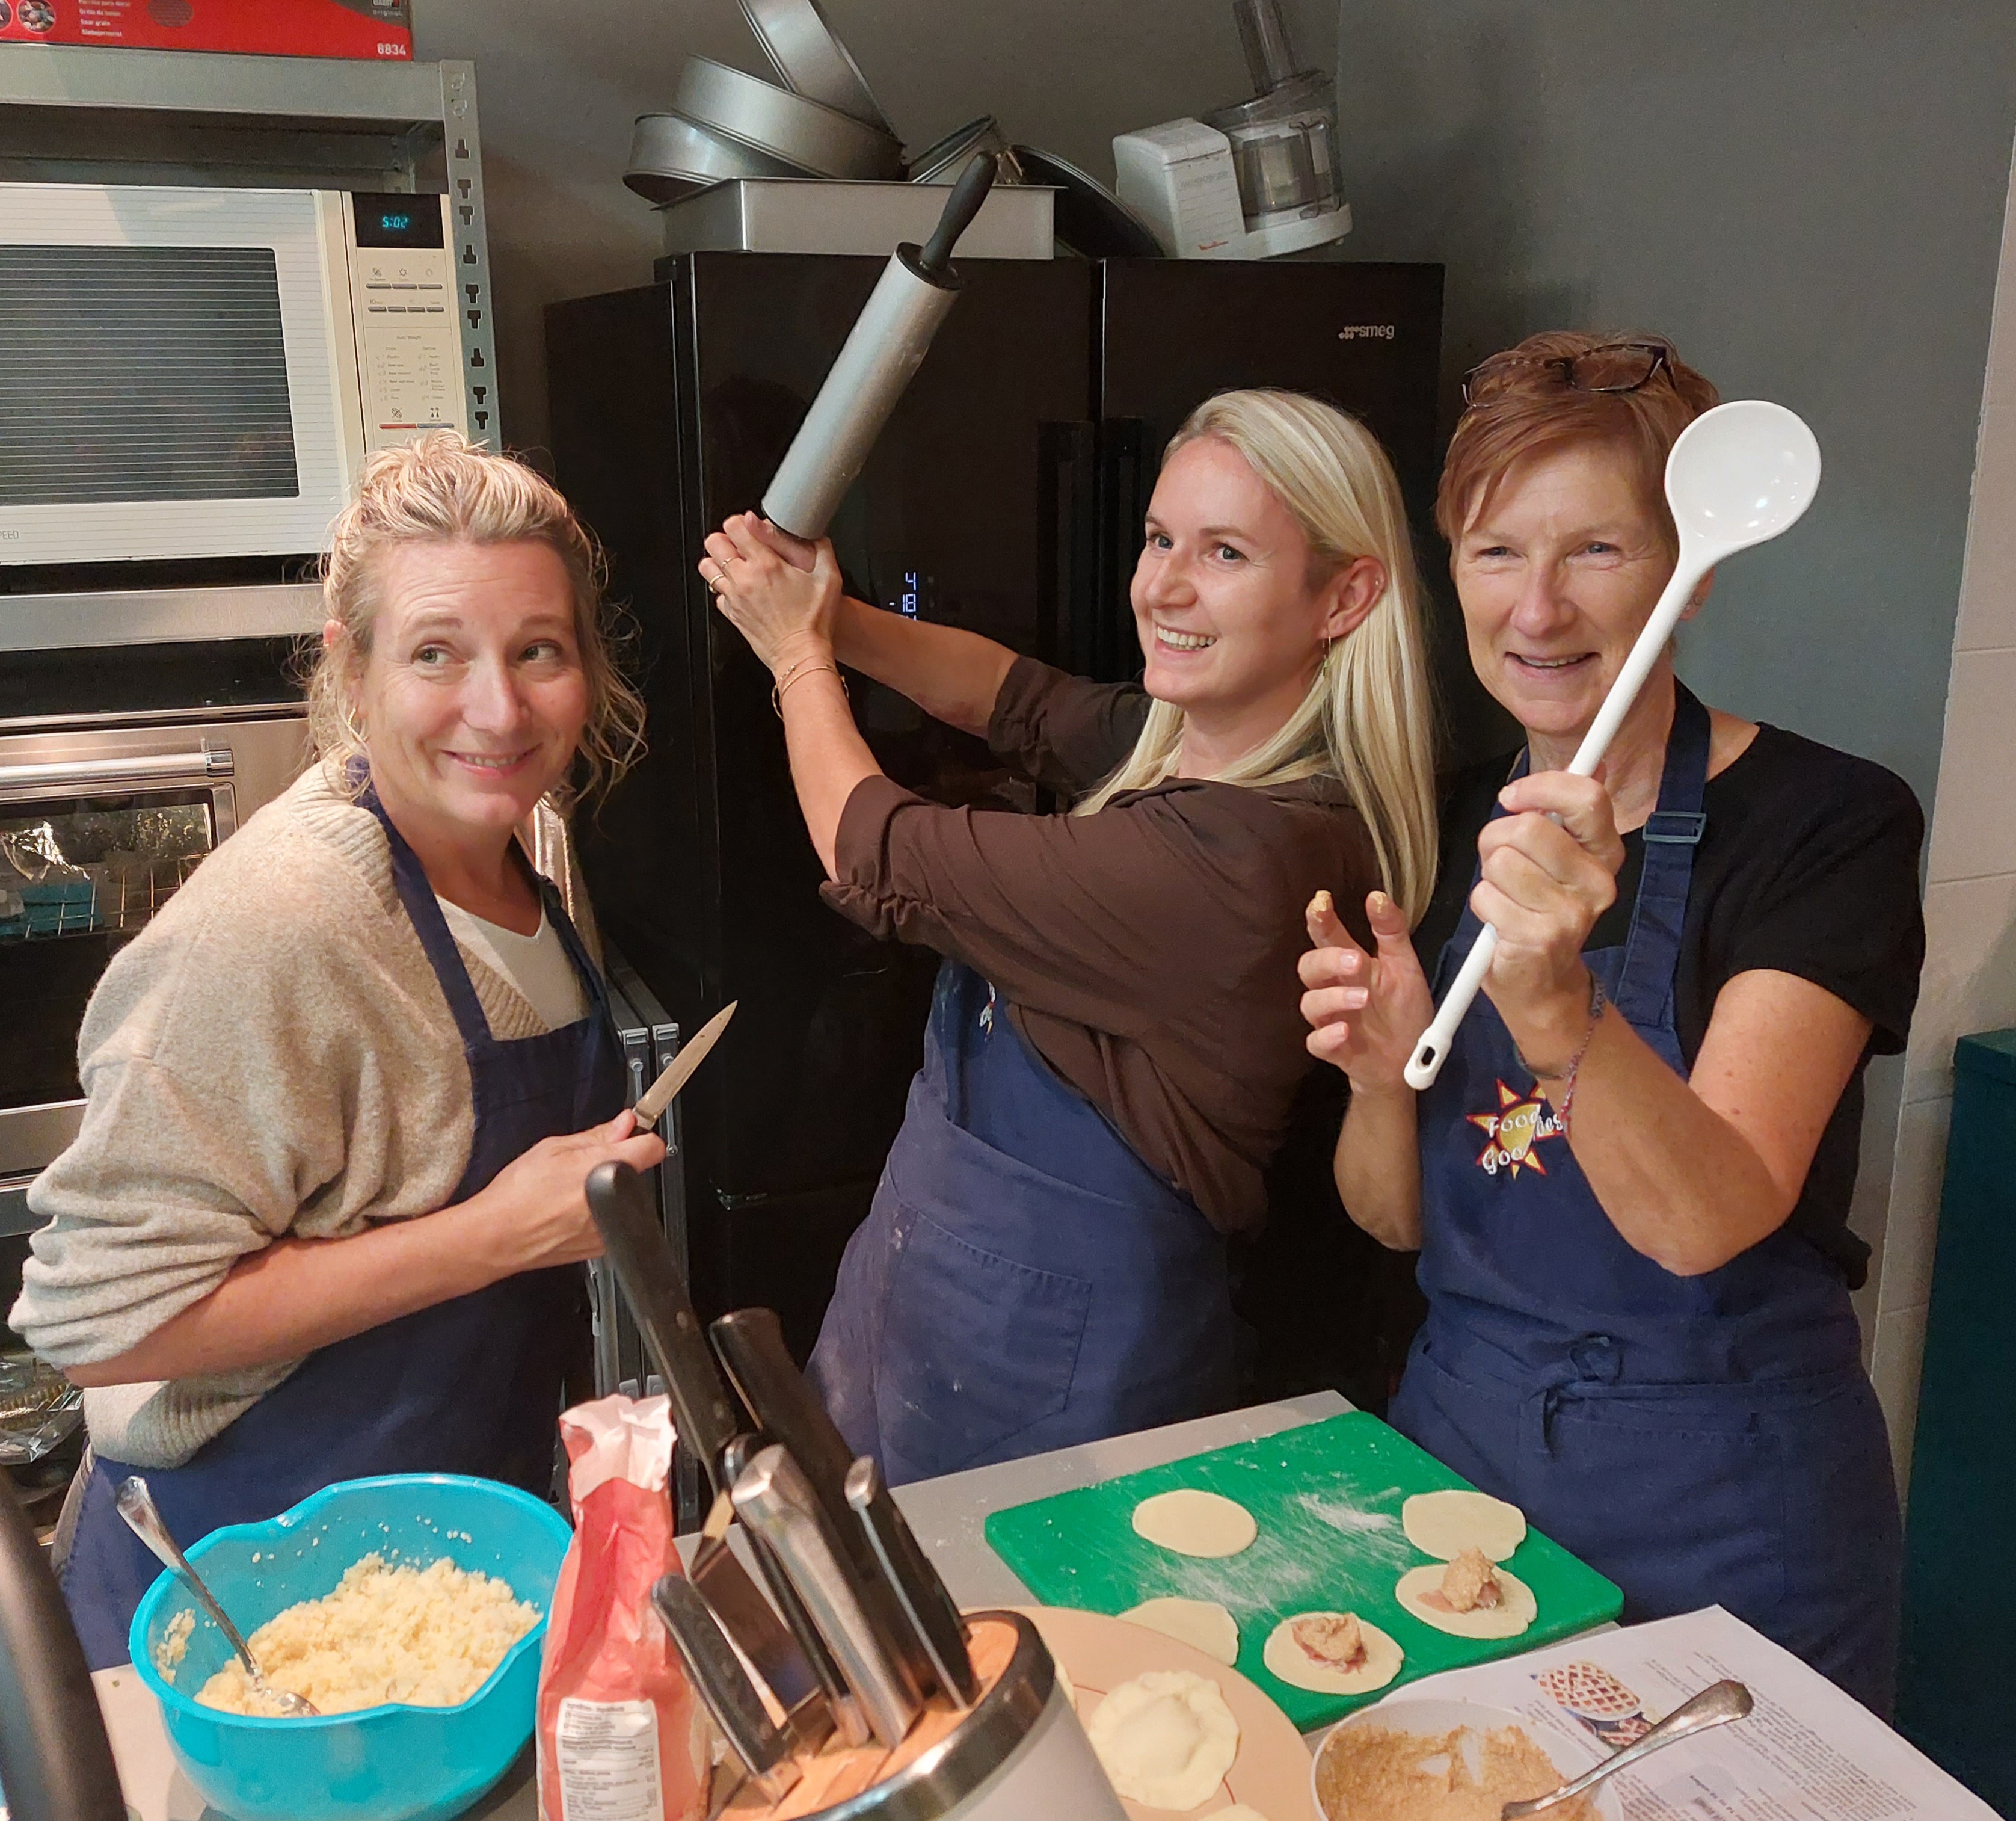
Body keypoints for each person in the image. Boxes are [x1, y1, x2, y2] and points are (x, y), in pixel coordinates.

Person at [1299, 333, 1924, 1715]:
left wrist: (1554, 1005)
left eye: (1595, 549)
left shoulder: (1826, 824)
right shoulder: (1444, 814)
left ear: (1689, 572)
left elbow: (1705, 1215)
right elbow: (1394, 1220)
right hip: (1455, 1467)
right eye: (1493, 551)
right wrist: (1374, 1077)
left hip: (1721, 1499)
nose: (1535, 607)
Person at [699, 389, 1439, 1485]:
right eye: (1158, 538)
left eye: (1225, 553)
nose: (1162, 587)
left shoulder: (1242, 855)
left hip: (1051, 1370)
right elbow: (1016, 699)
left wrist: (798, 659)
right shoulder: (1198, 743)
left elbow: (874, 851)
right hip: (929, 1302)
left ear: (1345, 596)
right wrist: (830, 615)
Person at [11, 433, 664, 1668]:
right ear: (352, 671)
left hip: (446, 1562)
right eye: (435, 653)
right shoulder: (287, 921)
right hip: (241, 1604)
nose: (498, 708)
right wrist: (495, 1233)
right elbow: (95, 1322)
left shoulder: (516, 851)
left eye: (538, 650)